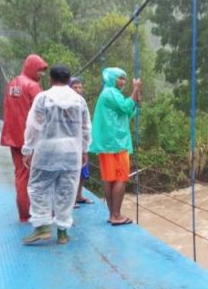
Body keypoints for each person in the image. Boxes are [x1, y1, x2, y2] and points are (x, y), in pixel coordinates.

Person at [21, 65, 91, 245]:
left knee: (38, 187)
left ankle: (43, 226)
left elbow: (33, 126)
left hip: (47, 151)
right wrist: (84, 150)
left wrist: (28, 149)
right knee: (67, 190)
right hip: (71, 152)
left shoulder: (43, 98)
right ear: (68, 80)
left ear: (51, 79)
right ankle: (62, 232)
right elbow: (85, 128)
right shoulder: (79, 100)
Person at [89, 67, 141, 226]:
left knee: (108, 179)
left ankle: (112, 214)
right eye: (120, 78)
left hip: (107, 144)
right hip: (116, 143)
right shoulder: (111, 92)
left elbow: (127, 112)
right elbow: (126, 107)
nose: (123, 82)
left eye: (124, 79)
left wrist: (135, 100)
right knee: (120, 178)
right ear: (112, 78)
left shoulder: (109, 94)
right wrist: (136, 89)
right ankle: (116, 215)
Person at [0, 54, 48, 223]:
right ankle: (30, 213)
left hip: (12, 137)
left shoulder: (11, 83)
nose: (41, 74)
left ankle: (23, 214)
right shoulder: (33, 87)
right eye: (40, 70)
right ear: (32, 68)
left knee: (20, 174)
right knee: (34, 177)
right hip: (30, 140)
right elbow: (43, 115)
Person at [69, 77, 94, 208]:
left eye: (80, 87)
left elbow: (86, 124)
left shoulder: (82, 101)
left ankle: (79, 196)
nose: (78, 90)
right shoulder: (64, 101)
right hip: (69, 144)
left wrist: (86, 144)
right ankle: (70, 200)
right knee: (72, 172)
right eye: (75, 87)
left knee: (83, 172)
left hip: (81, 142)